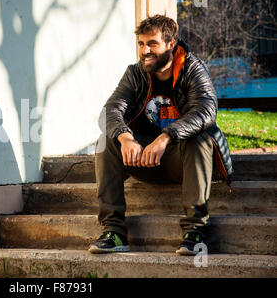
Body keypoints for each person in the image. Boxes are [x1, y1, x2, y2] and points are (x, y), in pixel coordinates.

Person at [88, 15, 233, 256]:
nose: (145, 51)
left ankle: (194, 232)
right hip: (143, 159)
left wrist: (165, 137)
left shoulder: (193, 69)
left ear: (171, 44)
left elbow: (206, 111)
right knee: (106, 141)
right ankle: (113, 232)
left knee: (200, 138)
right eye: (141, 44)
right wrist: (125, 137)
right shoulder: (135, 74)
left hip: (183, 160)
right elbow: (109, 111)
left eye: (152, 43)